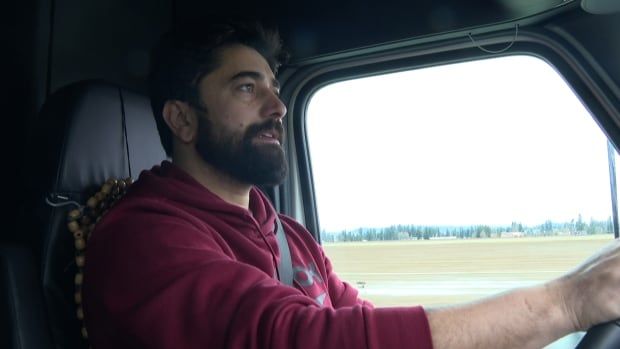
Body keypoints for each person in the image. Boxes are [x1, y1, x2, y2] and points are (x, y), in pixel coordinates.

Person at [82, 20, 620, 349]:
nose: (278, 106)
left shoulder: (288, 234)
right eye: (248, 89)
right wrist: (567, 303)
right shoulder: (143, 240)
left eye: (274, 87)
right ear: (182, 120)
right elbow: (296, 341)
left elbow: (356, 322)